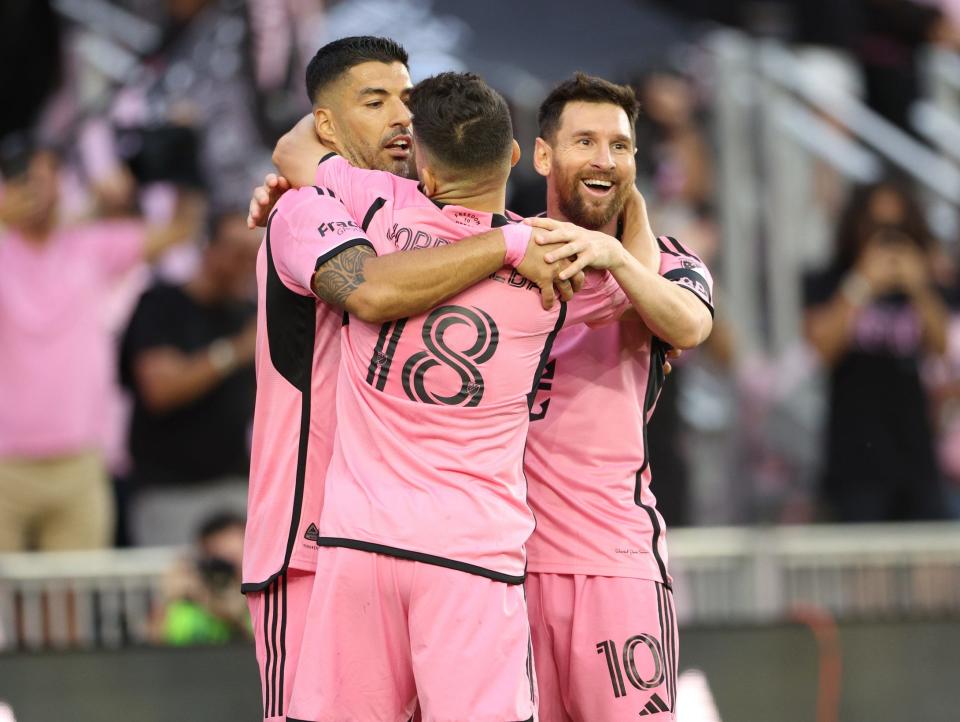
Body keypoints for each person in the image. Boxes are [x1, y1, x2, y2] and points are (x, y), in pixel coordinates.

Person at [275, 69, 685, 722]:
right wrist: (620, 204)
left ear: (425, 169)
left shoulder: (375, 208)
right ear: (519, 155)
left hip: (358, 545)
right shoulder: (551, 266)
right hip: (470, 559)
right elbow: (631, 279)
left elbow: (295, 148)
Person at [240, 36, 579, 721]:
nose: (401, 114)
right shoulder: (307, 208)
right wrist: (512, 243)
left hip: (398, 537)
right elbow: (366, 287)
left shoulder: (410, 208)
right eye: (375, 101)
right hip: (309, 537)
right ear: (328, 124)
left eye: (407, 96)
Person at [518, 74, 714, 722]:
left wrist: (619, 257)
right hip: (502, 565)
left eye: (621, 146)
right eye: (586, 141)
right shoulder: (498, 253)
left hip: (614, 563)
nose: (605, 159)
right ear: (544, 155)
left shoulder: (669, 262)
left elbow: (688, 324)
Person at [0, 142, 201, 552]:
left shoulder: (88, 246)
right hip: (6, 463)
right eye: (26, 180)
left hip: (79, 458)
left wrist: (181, 155)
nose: (38, 190)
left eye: (46, 177)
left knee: (76, 599)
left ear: (61, 182)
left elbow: (181, 229)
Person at [804, 177, 950, 521]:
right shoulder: (830, 280)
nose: (887, 239)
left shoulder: (921, 289)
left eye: (898, 228)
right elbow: (822, 350)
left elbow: (940, 345)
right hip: (855, 457)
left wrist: (919, 287)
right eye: (878, 227)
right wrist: (861, 283)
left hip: (915, 454)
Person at [119, 211, 260, 546]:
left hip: (236, 488)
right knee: (176, 596)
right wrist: (236, 350)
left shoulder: (251, 312)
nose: (246, 264)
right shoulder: (161, 304)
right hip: (170, 492)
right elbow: (161, 389)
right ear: (207, 248)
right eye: (237, 252)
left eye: (254, 254)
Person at [154, 512, 250, 646]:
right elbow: (155, 646)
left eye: (234, 559)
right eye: (218, 563)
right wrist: (166, 600)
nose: (224, 574)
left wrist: (209, 601)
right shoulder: (187, 610)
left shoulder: (267, 600)